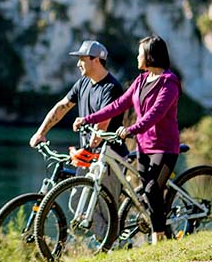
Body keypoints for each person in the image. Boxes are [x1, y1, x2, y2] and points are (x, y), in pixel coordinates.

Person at [73, 35, 181, 245]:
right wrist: (88, 118)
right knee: (147, 193)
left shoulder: (169, 82)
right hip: (143, 146)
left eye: (140, 53)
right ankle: (162, 229)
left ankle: (158, 237)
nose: (137, 57)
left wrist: (130, 129)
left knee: (151, 190)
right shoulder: (141, 81)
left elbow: (155, 115)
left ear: (150, 55)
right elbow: (118, 105)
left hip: (164, 148)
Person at [29, 40, 126, 151]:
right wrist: (40, 133)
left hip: (109, 156)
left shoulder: (111, 87)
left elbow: (102, 124)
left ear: (96, 60)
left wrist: (88, 149)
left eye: (82, 60)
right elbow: (62, 107)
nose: (78, 64)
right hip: (90, 154)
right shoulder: (82, 83)